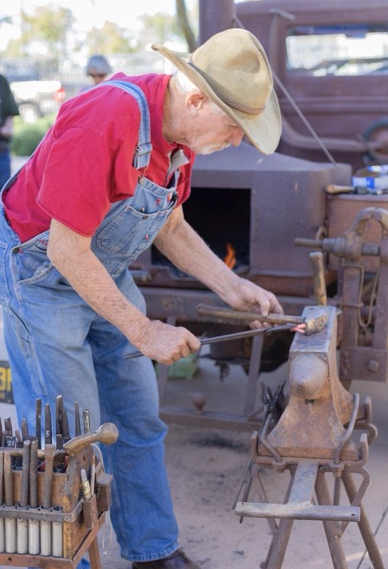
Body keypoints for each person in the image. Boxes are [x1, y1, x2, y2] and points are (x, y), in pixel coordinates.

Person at [0, 28, 294, 569]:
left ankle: (152, 551)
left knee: (138, 419)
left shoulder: (180, 140)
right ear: (198, 98)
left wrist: (234, 288)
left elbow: (173, 228)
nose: (235, 141)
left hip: (99, 268)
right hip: (42, 273)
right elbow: (66, 251)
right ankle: (67, 561)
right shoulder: (106, 118)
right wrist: (144, 329)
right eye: (235, 128)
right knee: (67, 439)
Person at [0, 73, 20, 189]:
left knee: (4, 191)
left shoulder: (1, 81)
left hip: (2, 150)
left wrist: (7, 127)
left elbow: (9, 111)